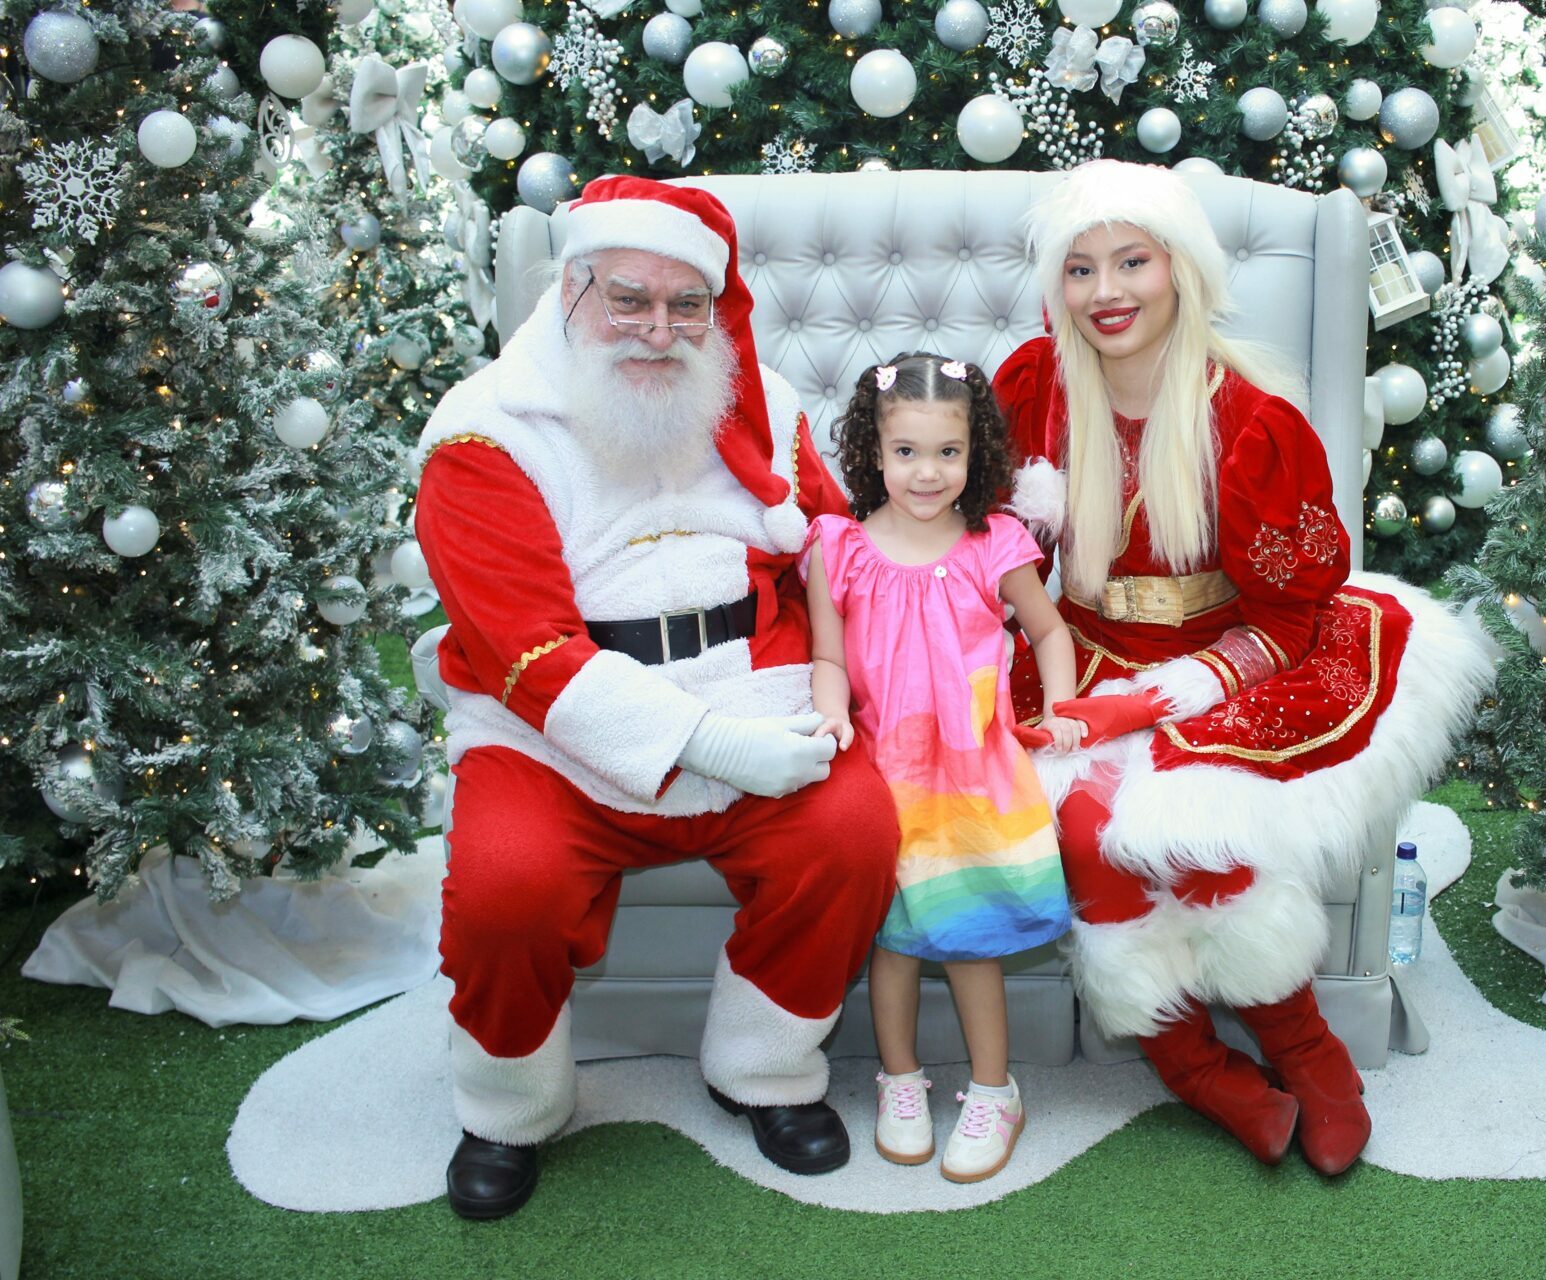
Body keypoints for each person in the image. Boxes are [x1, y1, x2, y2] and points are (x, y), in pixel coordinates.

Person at [411, 176, 900, 1219]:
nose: (659, 329)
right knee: (506, 885)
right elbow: (529, 653)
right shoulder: (483, 434)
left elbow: (827, 552)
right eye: (629, 298)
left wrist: (855, 674)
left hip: (756, 684)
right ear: (571, 289)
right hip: (552, 730)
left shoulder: (759, 401)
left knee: (853, 831)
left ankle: (762, 1070)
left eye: (687, 305)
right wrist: (710, 746)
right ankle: (507, 1109)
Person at [993, 160, 1490, 1175]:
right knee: (1085, 829)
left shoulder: (1253, 419)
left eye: (1132, 262)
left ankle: (1304, 1048)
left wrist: (1152, 701)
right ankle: (1192, 1065)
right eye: (1081, 269)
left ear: (1180, 268)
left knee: (1201, 829)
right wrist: (1068, 671)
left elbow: (1289, 618)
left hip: (1232, 658)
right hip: (1072, 647)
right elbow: (992, 546)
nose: (1106, 292)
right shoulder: (1033, 387)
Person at [801, 353, 1082, 1183]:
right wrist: (826, 714)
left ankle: (995, 1091)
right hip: (880, 771)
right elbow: (827, 657)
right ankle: (900, 1080)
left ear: (975, 453)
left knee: (967, 937)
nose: (927, 472)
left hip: (968, 774)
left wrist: (1060, 707)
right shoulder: (839, 549)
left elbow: (1050, 632)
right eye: (906, 452)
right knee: (893, 941)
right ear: (872, 452)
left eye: (948, 453)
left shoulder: (994, 546)